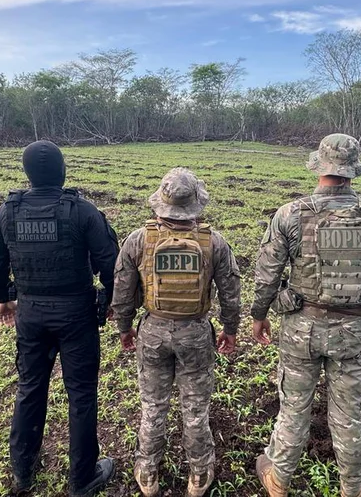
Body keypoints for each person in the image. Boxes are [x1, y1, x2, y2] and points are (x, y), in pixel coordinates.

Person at [251, 134, 361, 497]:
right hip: (353, 330)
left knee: (293, 407)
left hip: (299, 330)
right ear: (353, 170)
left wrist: (258, 315)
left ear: (319, 166)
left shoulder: (290, 213)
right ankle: (352, 487)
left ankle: (278, 479)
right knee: (348, 414)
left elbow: (266, 276)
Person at [0, 140, 119, 496]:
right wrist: (109, 300)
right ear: (62, 172)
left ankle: (23, 470)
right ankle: (82, 477)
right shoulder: (83, 211)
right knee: (82, 394)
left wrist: (4, 298)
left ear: (27, 175)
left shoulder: (6, 212)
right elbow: (111, 264)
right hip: (76, 315)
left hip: (30, 313)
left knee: (30, 388)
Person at [112, 167, 242, 497]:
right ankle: (199, 476)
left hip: (153, 331)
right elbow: (230, 292)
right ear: (196, 203)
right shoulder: (214, 242)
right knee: (196, 410)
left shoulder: (139, 240)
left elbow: (123, 292)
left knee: (152, 407)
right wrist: (230, 330)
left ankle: (148, 471)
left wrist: (125, 329)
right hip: (196, 334)